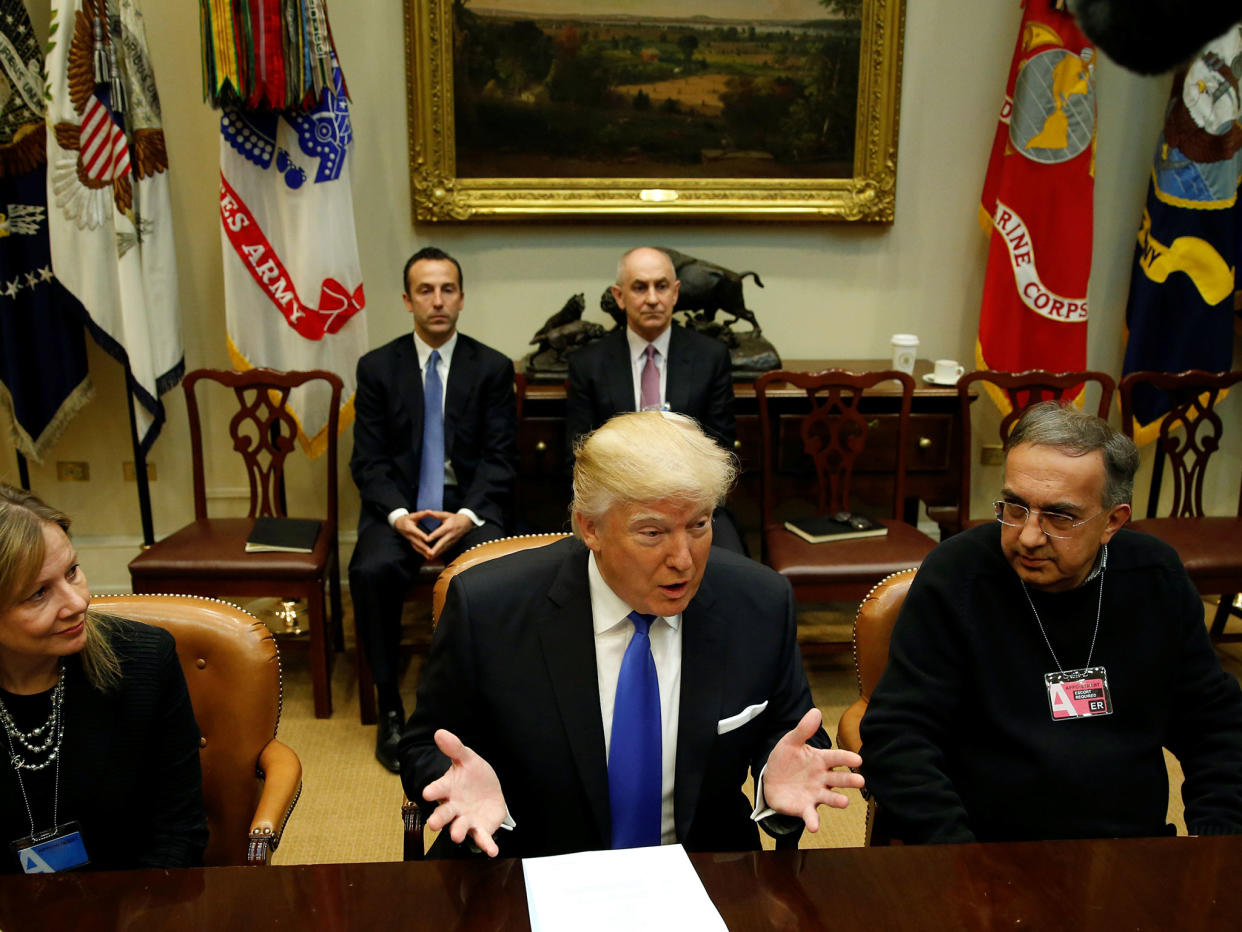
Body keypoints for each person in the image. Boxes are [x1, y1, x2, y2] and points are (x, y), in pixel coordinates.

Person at [399, 411, 863, 858]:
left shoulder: (758, 602)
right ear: (590, 528)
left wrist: (770, 775)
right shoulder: (488, 607)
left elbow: (793, 733)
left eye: (699, 525)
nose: (683, 558)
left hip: (701, 873)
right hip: (537, 865)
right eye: (652, 533)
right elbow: (424, 745)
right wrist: (455, 783)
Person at [860, 401, 1242, 844]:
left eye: (1059, 517)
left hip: (1129, 850)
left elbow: (1215, 726)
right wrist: (958, 859)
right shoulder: (957, 575)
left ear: (1112, 521)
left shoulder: (1155, 576)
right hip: (986, 849)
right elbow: (898, 736)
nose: (1028, 536)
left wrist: (1218, 843)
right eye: (1015, 507)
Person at [350, 246, 518, 772]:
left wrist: (465, 517)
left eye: (447, 289)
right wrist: (399, 516)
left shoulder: (491, 367)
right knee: (371, 569)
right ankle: (391, 707)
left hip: (467, 509)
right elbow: (368, 462)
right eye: (426, 290)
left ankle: (483, 705)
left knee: (493, 568)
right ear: (407, 300)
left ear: (462, 298)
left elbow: (500, 460)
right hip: (398, 511)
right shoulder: (377, 367)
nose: (437, 301)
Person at [0, 485, 207, 873]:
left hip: (134, 905)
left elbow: (179, 833)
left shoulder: (145, 660)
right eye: (38, 593)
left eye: (72, 572)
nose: (78, 603)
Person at [566, 247, 746, 554]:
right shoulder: (589, 363)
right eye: (639, 287)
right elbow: (579, 452)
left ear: (675, 293)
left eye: (661, 286)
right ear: (619, 296)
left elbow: (721, 446)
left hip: (693, 506)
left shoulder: (710, 357)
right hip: (616, 505)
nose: (652, 298)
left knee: (735, 571)